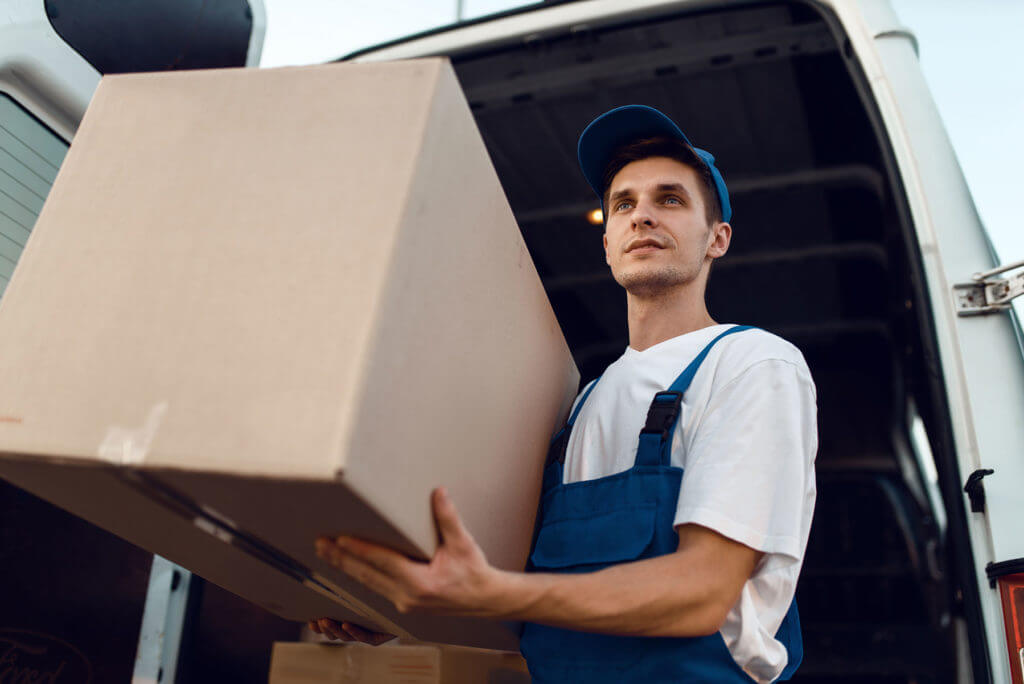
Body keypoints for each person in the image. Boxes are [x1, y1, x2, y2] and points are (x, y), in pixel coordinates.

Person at [310, 105, 817, 683]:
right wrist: (414, 606)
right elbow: (529, 584)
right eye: (623, 204)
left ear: (717, 239)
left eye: (670, 200)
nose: (642, 216)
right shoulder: (579, 404)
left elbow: (701, 593)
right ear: (607, 243)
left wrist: (491, 593)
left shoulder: (751, 364)